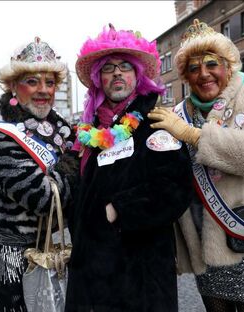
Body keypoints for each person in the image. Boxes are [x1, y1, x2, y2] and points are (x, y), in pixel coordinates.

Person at [148, 19, 244, 312]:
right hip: (204, 248)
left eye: (211, 64)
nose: (203, 74)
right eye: (194, 68)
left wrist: (190, 135)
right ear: (185, 76)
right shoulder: (177, 114)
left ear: (228, 66)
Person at [65, 24, 193, 312]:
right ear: (99, 79)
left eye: (125, 66)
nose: (117, 73)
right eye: (108, 68)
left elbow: (175, 189)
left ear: (138, 75)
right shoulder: (91, 130)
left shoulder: (155, 124)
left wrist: (120, 209)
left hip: (138, 276)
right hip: (90, 271)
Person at [0, 37, 77, 312]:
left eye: (49, 82)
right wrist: (78, 167)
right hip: (11, 255)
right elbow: (43, 198)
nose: (43, 90)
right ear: (12, 86)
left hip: (51, 247)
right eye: (32, 81)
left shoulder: (56, 125)